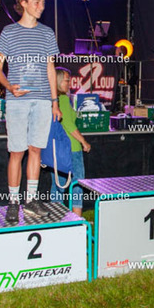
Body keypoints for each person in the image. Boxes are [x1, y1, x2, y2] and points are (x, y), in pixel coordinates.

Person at [0, 0, 61, 223]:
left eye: (43, 2)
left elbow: (50, 69)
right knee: (17, 151)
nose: (41, 6)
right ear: (23, 3)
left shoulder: (47, 33)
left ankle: (31, 200)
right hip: (17, 101)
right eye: (36, 2)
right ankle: (13, 202)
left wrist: (54, 102)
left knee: (36, 150)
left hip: (42, 101)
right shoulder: (9, 32)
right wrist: (9, 86)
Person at [50, 67, 91, 216]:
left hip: (57, 150)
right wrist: (83, 141)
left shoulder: (52, 100)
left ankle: (57, 218)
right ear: (58, 81)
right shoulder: (62, 99)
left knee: (58, 186)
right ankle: (77, 218)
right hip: (72, 148)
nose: (69, 83)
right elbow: (68, 124)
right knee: (77, 184)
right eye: (66, 80)